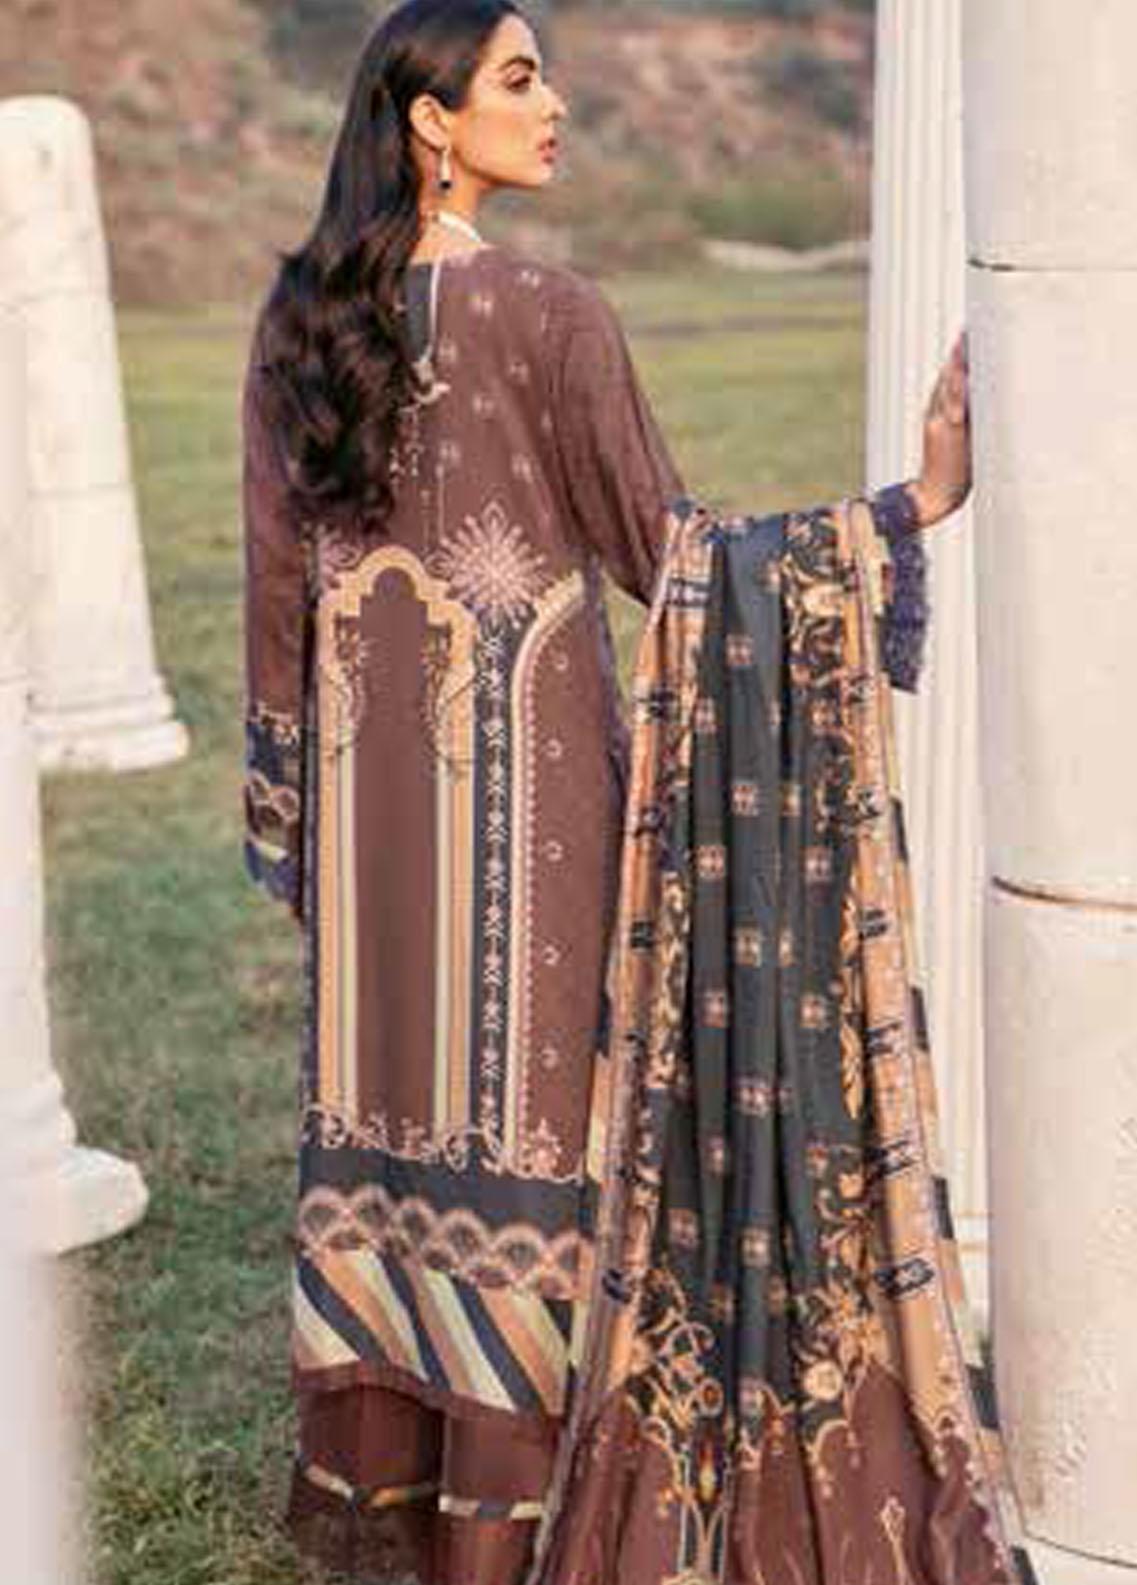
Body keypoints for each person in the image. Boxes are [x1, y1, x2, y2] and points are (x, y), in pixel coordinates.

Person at [241, 3, 981, 1582]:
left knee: (391, 1123)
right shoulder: (549, 313)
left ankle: (398, 1480)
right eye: (519, 78)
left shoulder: (300, 317)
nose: (555, 103)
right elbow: (681, 562)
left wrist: (296, 817)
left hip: (373, 830)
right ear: (430, 120)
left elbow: (273, 599)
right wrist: (905, 508)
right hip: (537, 811)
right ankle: (505, 1519)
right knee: (529, 1134)